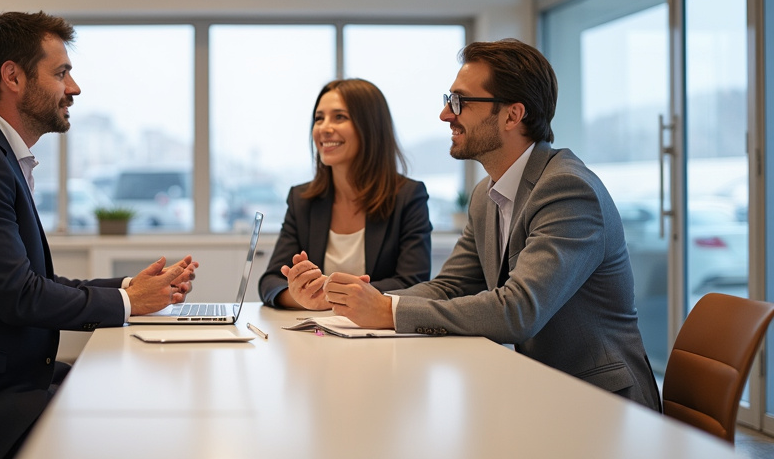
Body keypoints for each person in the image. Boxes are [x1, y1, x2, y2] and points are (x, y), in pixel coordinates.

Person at [0, 11, 197, 459]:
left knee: (130, 398)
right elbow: (20, 297)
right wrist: (131, 304)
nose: (74, 88)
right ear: (12, 77)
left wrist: (132, 288)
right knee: (140, 422)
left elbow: (32, 285)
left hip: (4, 379)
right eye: (61, 73)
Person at [323, 39, 662, 411]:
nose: (445, 115)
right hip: (535, 391)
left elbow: (518, 311)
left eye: (459, 102)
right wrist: (366, 303)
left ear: (513, 116)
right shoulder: (487, 194)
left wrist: (388, 313)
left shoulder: (567, 189)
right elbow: (451, 286)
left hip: (601, 405)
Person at [258, 78, 432, 310]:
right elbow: (271, 282)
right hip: (317, 337)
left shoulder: (408, 196)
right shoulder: (302, 200)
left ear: (371, 126)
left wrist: (333, 295)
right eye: (319, 118)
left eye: (340, 117)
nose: (324, 128)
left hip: (383, 338)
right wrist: (304, 297)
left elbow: (413, 282)